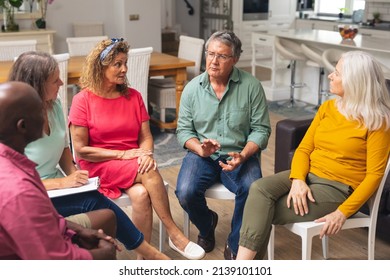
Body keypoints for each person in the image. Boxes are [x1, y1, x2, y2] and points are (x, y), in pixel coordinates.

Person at [9, 51, 169, 260]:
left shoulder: (54, 106)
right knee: (98, 204)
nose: (61, 82)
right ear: (37, 84)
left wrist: (76, 175)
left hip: (57, 187)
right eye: (54, 79)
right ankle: (152, 254)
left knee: (101, 203)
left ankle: (142, 255)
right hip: (31, 195)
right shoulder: (13, 122)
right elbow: (12, 182)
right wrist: (63, 183)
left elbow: (63, 149)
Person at [236, 51, 390, 260]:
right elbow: (304, 149)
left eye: (337, 73)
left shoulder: (377, 122)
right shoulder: (328, 107)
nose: (330, 76)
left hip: (338, 188)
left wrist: (342, 212)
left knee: (264, 210)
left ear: (355, 82)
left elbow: (374, 176)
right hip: (309, 175)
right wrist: (298, 179)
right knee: (258, 189)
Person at [68, 38, 205, 260]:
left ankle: (143, 261)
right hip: (98, 165)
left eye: (125, 63)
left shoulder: (133, 97)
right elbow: (82, 149)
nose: (124, 69)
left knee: (141, 194)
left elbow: (146, 136)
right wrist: (125, 155)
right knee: (148, 172)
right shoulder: (82, 100)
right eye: (117, 64)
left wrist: (146, 154)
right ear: (100, 66)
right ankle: (174, 232)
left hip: (131, 162)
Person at [175, 30, 271, 260]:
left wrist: (245, 154)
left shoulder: (251, 86)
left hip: (239, 154)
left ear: (235, 59)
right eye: (210, 54)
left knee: (252, 190)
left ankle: (236, 245)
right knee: (185, 192)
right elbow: (183, 130)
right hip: (202, 155)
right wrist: (199, 148)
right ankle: (207, 225)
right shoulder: (192, 88)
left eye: (222, 56)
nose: (213, 61)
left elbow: (261, 129)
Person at [0, 81, 118, 260]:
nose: (45, 115)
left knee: (106, 215)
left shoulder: (14, 161)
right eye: (38, 111)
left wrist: (76, 231)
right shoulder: (19, 190)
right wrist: (98, 255)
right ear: (22, 126)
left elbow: (46, 219)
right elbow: (52, 262)